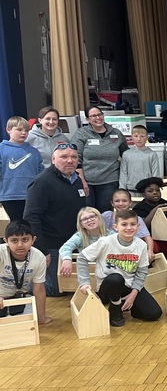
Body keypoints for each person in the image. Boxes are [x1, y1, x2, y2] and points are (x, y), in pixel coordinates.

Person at [77, 209, 162, 327]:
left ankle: (128, 306)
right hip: (108, 286)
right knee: (116, 278)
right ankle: (115, 308)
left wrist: (133, 295)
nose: (129, 228)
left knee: (154, 314)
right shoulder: (105, 242)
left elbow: (142, 272)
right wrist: (84, 282)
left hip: (129, 285)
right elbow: (82, 257)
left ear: (138, 227)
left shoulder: (141, 245)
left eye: (133, 224)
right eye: (124, 224)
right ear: (116, 227)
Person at [24, 142, 87, 297]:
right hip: (52, 246)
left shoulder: (77, 180)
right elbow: (31, 217)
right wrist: (42, 250)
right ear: (53, 159)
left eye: (73, 157)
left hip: (75, 243)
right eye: (64, 157)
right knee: (56, 289)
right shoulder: (42, 182)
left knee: (75, 285)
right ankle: (22, 284)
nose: (70, 160)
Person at [71, 105, 129, 211]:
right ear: (88, 119)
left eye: (100, 114)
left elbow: (126, 153)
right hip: (87, 181)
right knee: (88, 212)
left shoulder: (115, 133)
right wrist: (82, 181)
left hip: (110, 180)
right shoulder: (81, 133)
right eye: (93, 116)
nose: (98, 118)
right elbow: (76, 158)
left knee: (105, 212)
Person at [0, 220, 48, 324]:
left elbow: (39, 289)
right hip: (1, 297)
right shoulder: (1, 252)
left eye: (25, 240)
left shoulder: (39, 257)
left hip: (21, 299)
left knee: (26, 325)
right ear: (6, 241)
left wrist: (41, 318)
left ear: (33, 240)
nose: (20, 245)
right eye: (14, 240)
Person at [0, 116, 44, 221]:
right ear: (8, 130)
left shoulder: (34, 152)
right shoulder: (2, 149)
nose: (23, 133)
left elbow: (41, 175)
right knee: (15, 225)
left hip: (31, 196)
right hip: (9, 196)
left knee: (31, 225)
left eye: (26, 130)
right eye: (19, 130)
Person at [133, 177, 167, 261]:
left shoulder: (165, 203)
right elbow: (144, 225)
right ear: (143, 194)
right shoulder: (139, 208)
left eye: (157, 190)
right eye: (150, 191)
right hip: (151, 240)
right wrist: (156, 210)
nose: (155, 192)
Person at [102, 189, 156, 261]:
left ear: (130, 203)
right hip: (111, 251)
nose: (121, 204)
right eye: (117, 201)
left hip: (132, 251)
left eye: (124, 201)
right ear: (112, 203)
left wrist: (150, 251)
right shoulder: (107, 216)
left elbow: (147, 237)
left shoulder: (137, 218)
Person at [58, 207, 107, 280]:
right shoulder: (80, 236)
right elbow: (66, 247)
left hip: (107, 273)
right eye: (85, 219)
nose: (89, 220)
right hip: (86, 273)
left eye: (92, 217)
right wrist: (67, 259)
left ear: (99, 218)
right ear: (81, 224)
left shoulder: (111, 234)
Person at [119, 125, 161, 192]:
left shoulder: (152, 154)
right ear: (132, 137)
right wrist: (122, 189)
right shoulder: (126, 154)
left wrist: (153, 189)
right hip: (130, 189)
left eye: (142, 136)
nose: (139, 139)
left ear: (146, 137)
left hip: (147, 190)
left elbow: (155, 174)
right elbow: (123, 173)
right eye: (136, 136)